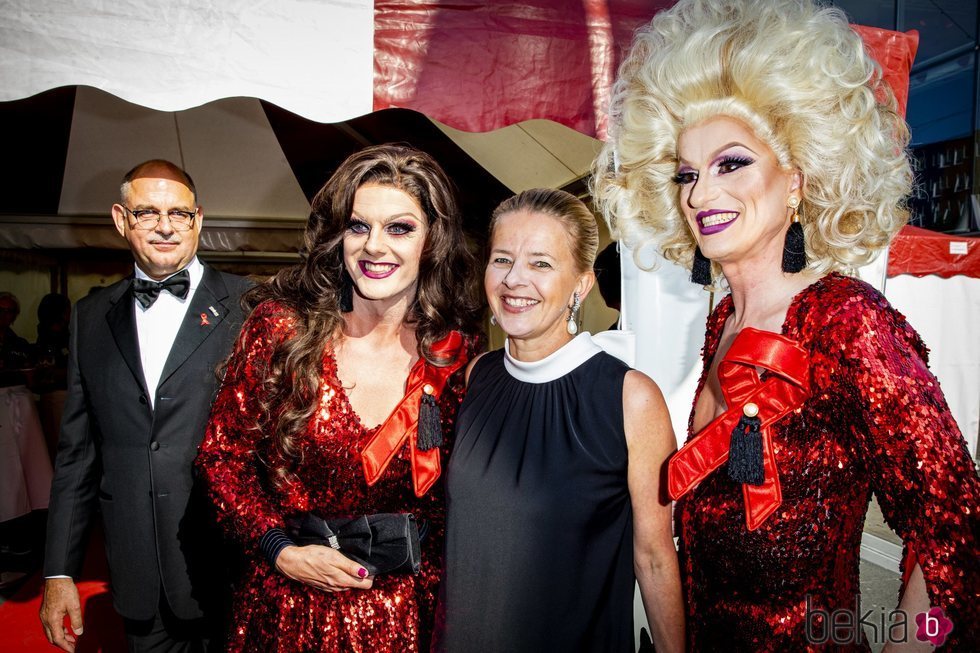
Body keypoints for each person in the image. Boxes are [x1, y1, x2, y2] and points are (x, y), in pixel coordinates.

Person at [593, 0, 980, 650]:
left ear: (797, 178)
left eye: (731, 163)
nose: (699, 195)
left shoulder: (847, 323)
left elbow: (959, 530)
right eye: (687, 173)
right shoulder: (723, 321)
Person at [195, 144, 483, 652]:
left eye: (399, 228)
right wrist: (279, 549)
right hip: (287, 612)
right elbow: (222, 457)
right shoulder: (283, 330)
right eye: (358, 226)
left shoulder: (457, 357)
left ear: (432, 240)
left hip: (410, 619)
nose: (374, 246)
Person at [438, 188, 684, 652]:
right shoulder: (478, 376)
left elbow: (653, 559)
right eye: (502, 259)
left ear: (581, 284)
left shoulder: (629, 398)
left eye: (541, 264)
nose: (514, 280)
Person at [40, 160, 251, 652]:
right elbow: (77, 454)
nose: (164, 226)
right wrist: (58, 571)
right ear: (120, 219)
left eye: (179, 213)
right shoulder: (90, 317)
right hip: (138, 573)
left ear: (198, 219)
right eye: (147, 212)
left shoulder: (250, 306)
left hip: (232, 566)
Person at [0, 291, 33, 387]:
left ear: (14, 316)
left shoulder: (21, 344)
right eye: (0, 310)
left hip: (18, 394)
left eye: (9, 311)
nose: (3, 315)